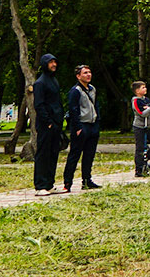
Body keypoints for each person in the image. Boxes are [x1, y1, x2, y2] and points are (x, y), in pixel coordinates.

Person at [63, 64, 104, 192]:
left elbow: (96, 105)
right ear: (78, 76)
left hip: (92, 125)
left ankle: (87, 180)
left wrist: (97, 122)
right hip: (82, 125)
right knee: (75, 154)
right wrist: (77, 127)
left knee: (89, 155)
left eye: (89, 72)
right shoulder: (75, 91)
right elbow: (73, 109)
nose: (88, 75)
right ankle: (67, 183)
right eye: (85, 73)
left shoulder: (92, 89)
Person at [31, 53, 64, 196]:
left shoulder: (54, 81)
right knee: (43, 154)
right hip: (46, 124)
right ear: (45, 64)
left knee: (53, 154)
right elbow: (39, 105)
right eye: (50, 62)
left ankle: (49, 183)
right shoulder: (40, 83)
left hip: (56, 122)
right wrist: (48, 122)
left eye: (54, 62)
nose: (54, 65)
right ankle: (40, 185)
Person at [130, 81, 150, 178]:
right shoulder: (136, 101)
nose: (145, 89)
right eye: (143, 87)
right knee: (140, 148)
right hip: (140, 127)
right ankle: (139, 169)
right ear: (137, 90)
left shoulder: (146, 99)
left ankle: (146, 160)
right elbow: (142, 113)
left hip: (148, 126)